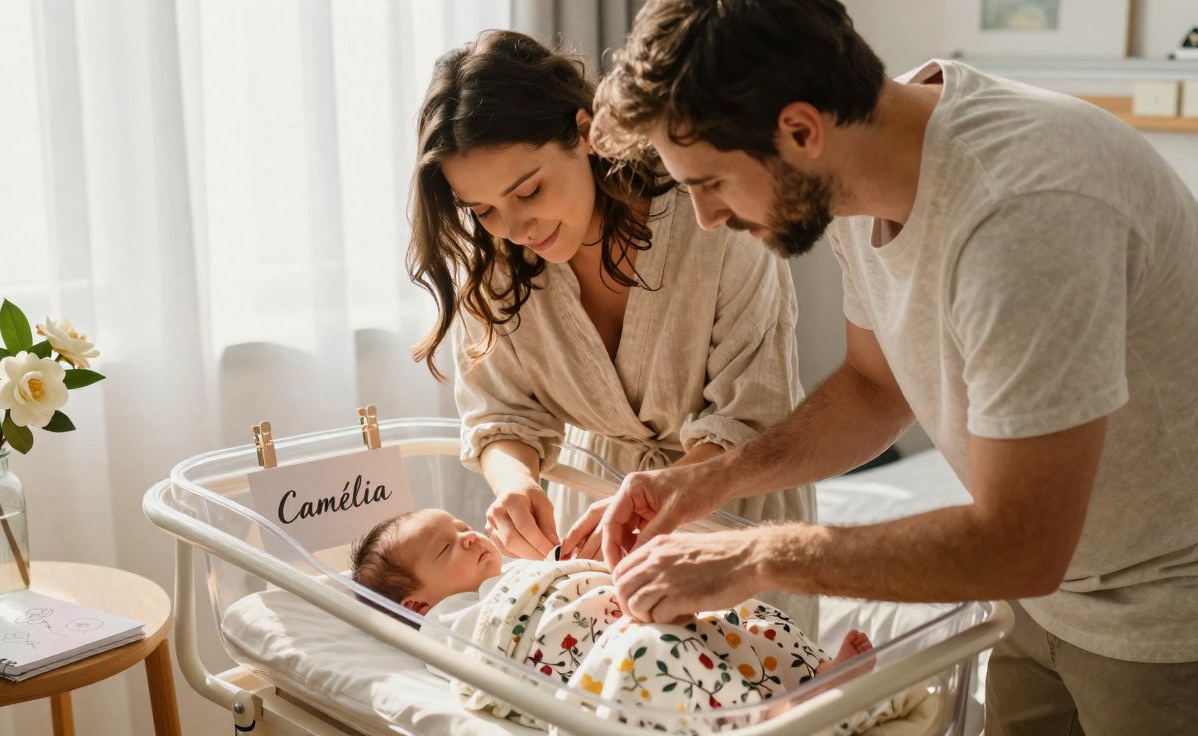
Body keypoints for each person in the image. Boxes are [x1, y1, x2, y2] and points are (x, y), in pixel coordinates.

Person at [588, 0, 1198, 733]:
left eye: (710, 183)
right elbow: (875, 389)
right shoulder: (866, 167)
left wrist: (758, 555)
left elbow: (1020, 542)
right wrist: (707, 480)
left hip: (1164, 612)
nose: (706, 218)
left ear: (800, 130)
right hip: (1044, 597)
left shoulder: (1025, 214)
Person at [406, 30, 816, 631]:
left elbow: (753, 410)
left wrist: (662, 493)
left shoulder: (714, 217)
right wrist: (515, 482)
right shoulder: (496, 269)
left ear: (582, 131)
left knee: (749, 698)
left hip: (730, 510)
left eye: (529, 190)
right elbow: (501, 415)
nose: (515, 226)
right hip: (598, 511)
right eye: (485, 209)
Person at [349, 508, 875, 727]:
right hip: (598, 649)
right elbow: (504, 653)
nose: (468, 536)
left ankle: (802, 680)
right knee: (646, 657)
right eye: (446, 549)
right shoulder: (444, 627)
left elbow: (560, 582)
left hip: (620, 611)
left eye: (461, 526)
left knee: (737, 617)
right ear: (418, 605)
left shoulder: (515, 573)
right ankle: (762, 721)